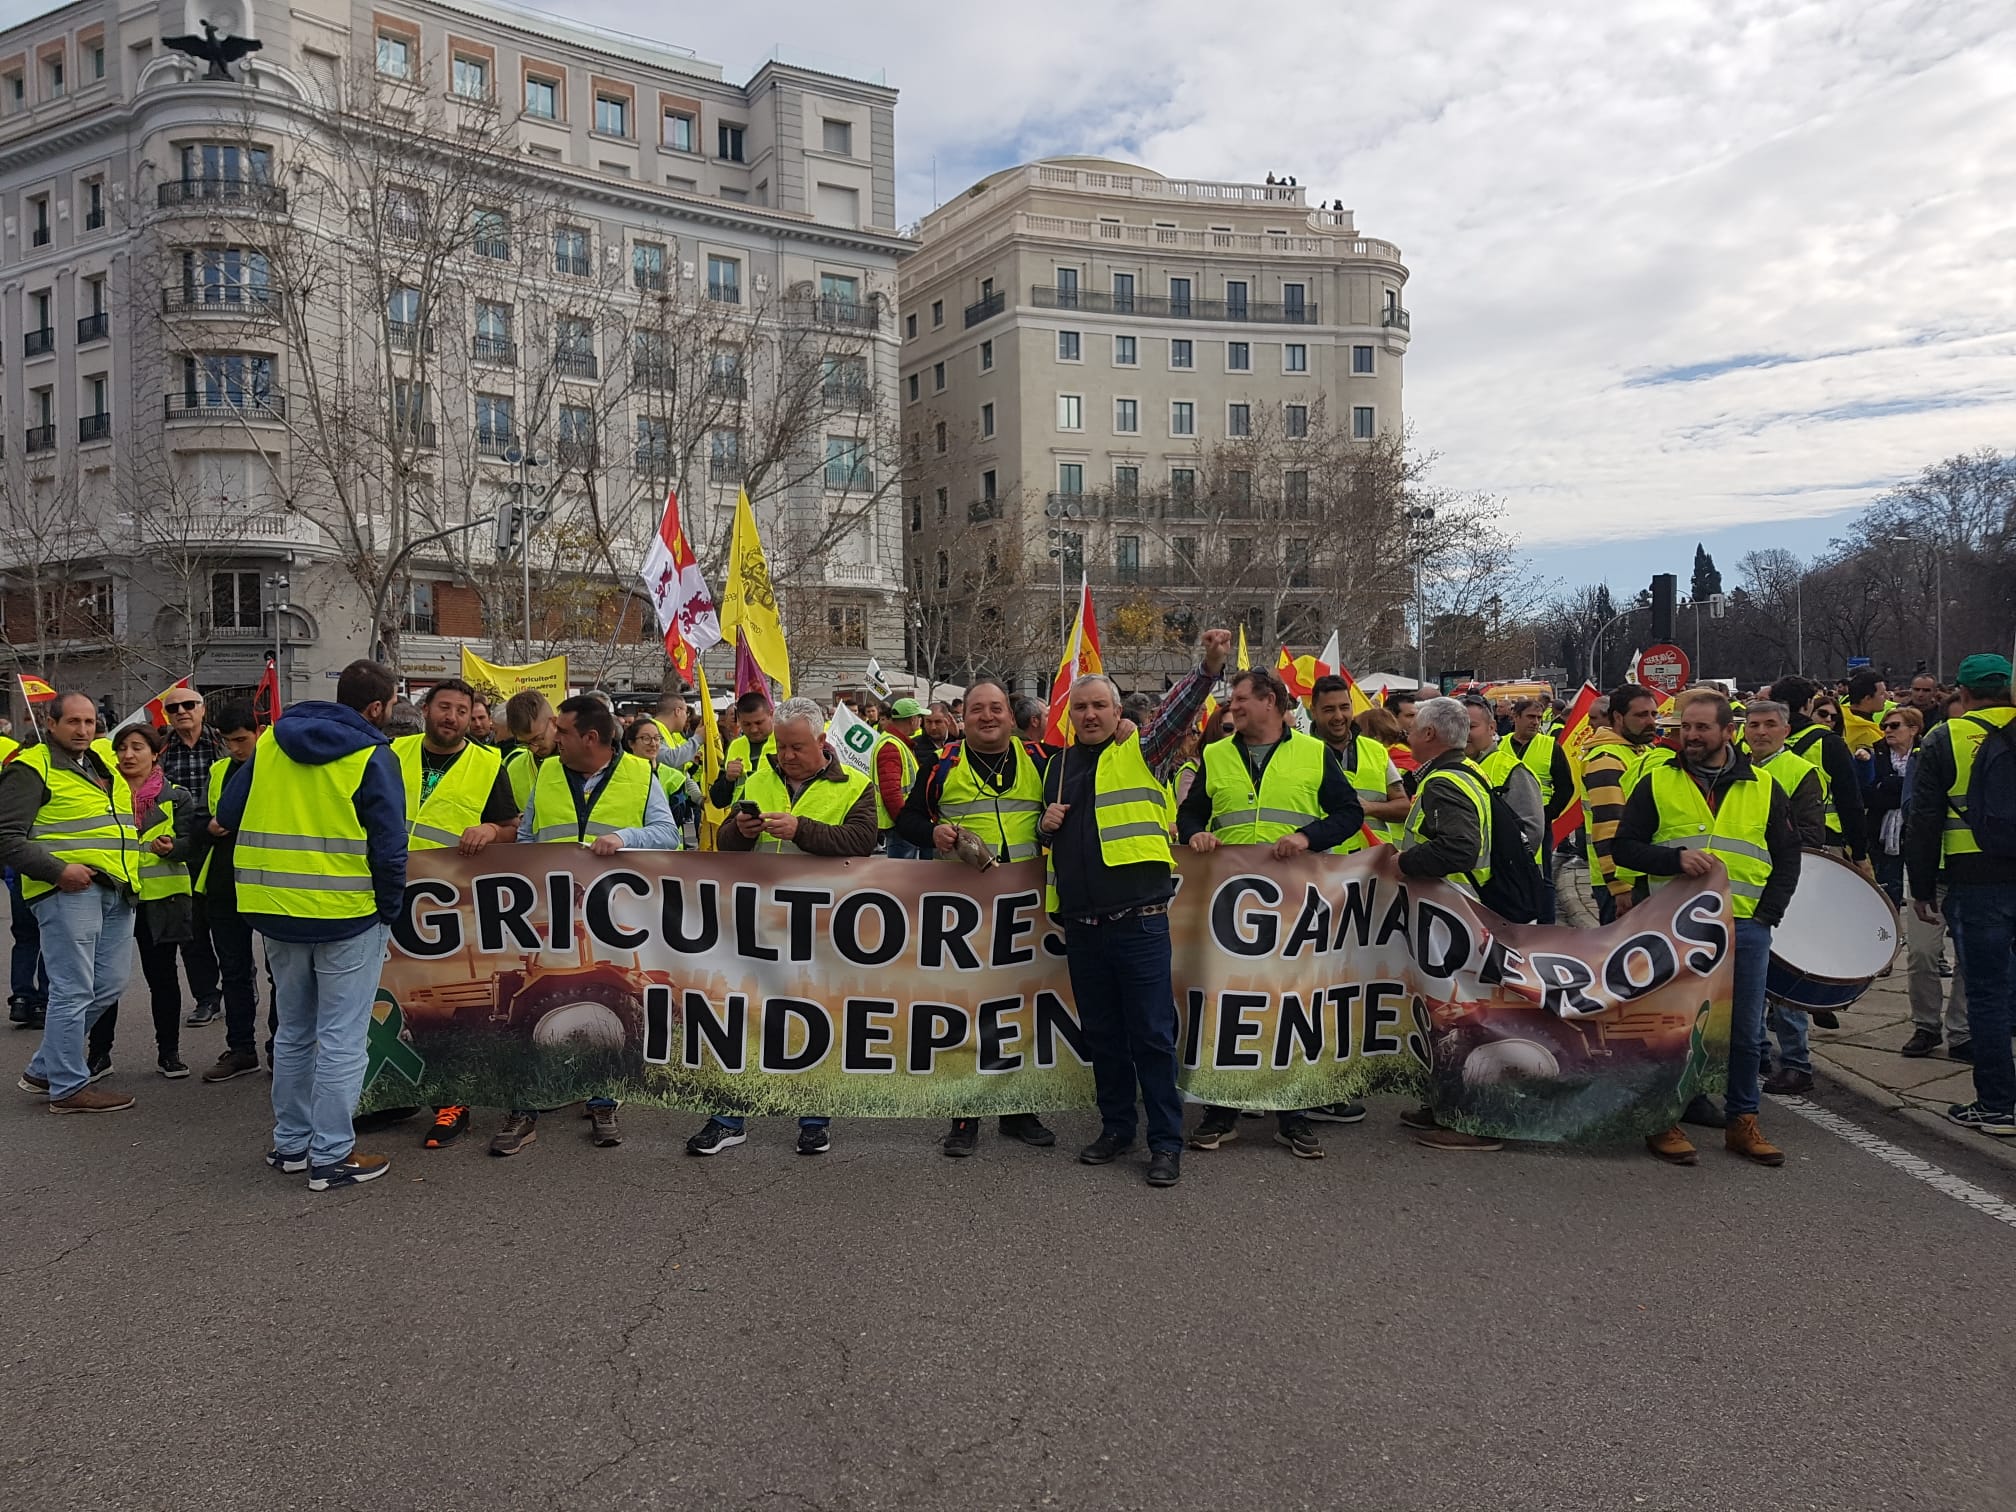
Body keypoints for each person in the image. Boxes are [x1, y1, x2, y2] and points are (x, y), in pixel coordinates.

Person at [1038, 632, 1229, 1187]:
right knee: (1102, 1035)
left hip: (1138, 922)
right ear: (1068, 715)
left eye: (1100, 705)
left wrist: (1208, 668)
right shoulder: (1058, 765)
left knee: (1150, 1035)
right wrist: (1042, 826)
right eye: (1081, 707)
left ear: (1118, 712)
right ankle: (1117, 1128)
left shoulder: (1140, 751)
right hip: (1081, 925)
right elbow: (1049, 837)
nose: (1090, 714)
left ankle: (1165, 1143)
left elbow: (1177, 714)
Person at [215, 660, 407, 1190]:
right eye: (390, 706)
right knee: (343, 1039)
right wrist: (389, 910)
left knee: (295, 1032)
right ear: (376, 708)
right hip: (348, 914)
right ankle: (332, 1156)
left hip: (274, 908)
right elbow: (390, 849)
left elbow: (228, 812)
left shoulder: (273, 742)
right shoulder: (373, 755)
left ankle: (291, 1145)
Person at [1178, 667, 1364, 1159]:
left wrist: (1307, 837)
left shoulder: (1313, 752)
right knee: (1228, 1006)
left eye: (1240, 699)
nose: (1232, 707)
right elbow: (1190, 813)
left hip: (1294, 906)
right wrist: (1197, 832)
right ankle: (1222, 1109)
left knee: (1291, 1006)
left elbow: (1349, 813)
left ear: (1272, 701)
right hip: (1231, 907)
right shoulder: (1215, 754)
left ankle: (1293, 1114)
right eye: (1231, 700)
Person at [1615, 689, 1801, 1167]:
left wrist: (1767, 915)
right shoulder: (1656, 782)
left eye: (1700, 728)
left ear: (1727, 732)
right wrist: (1673, 858)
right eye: (1684, 728)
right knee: (1672, 1027)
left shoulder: (1764, 787)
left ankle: (1743, 1121)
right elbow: (1625, 848)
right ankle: (1664, 1119)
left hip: (1745, 926)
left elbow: (1786, 858)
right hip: (1672, 926)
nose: (1690, 736)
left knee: (1742, 1032)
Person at [495, 695, 680, 1157]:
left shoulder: (641, 774)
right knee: (529, 1017)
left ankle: (602, 1102)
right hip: (548, 919)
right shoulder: (549, 773)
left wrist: (623, 838)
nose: (553, 737)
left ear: (590, 738)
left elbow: (667, 833)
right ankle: (525, 1108)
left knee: (602, 1015)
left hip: (610, 920)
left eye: (562, 732)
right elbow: (527, 836)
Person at [691, 697, 873, 1159]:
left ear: (821, 742)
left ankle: (813, 1117)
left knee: (814, 1021)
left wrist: (801, 830)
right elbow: (729, 842)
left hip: (822, 926)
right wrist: (745, 831)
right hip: (758, 922)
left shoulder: (855, 785)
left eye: (795, 747)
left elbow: (860, 841)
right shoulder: (759, 777)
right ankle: (729, 1116)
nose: (786, 756)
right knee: (740, 1017)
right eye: (780, 746)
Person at [896, 680, 1060, 1155]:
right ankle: (964, 1114)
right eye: (977, 710)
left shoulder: (1042, 761)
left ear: (1012, 717)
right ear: (960, 718)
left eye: (996, 709)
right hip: (963, 913)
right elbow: (905, 820)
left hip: (1027, 908)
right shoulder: (940, 764)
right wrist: (934, 832)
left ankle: (1018, 1108)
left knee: (1021, 1009)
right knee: (966, 1009)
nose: (988, 717)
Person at [394, 679, 517, 1150]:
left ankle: (453, 1101)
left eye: (461, 711)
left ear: (472, 718)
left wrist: (489, 829)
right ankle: (391, 1093)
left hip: (448, 906)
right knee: (388, 1002)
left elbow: (510, 829)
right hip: (386, 894)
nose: (452, 717)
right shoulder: (392, 753)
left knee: (443, 1005)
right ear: (427, 709)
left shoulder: (488, 764)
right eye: (444, 707)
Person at [4, 692, 142, 1113]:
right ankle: (67, 1087)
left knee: (109, 984)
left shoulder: (100, 765)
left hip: (116, 889)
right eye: (74, 722)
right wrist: (58, 871)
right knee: (72, 990)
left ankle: (45, 1068)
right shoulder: (31, 767)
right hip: (68, 892)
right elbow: (6, 837)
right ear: (51, 723)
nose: (83, 730)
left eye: (89, 722)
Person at [1905, 654, 2016, 1136]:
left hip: (1975, 876)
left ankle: (1997, 1104)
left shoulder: (1944, 737)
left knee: (1987, 995)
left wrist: (1923, 888)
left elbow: (1924, 820)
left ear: (1963, 694)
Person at [1389, 697, 1507, 1151]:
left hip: (1454, 913)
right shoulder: (1469, 771)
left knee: (1459, 1015)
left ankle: (1470, 1119)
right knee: (1451, 1013)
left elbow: (1458, 847)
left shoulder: (1443, 781)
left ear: (1431, 735)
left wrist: (1404, 862)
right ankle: (1445, 1102)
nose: (1409, 733)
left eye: (1415, 727)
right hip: (1460, 910)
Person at [83, 726, 200, 1079]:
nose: (128, 755)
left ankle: (169, 1054)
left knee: (162, 978)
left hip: (160, 900)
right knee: (106, 981)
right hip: (114, 897)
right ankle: (99, 1055)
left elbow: (192, 844)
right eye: (122, 749)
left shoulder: (176, 796)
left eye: (137, 748)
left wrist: (174, 848)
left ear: (155, 753)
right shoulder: (102, 793)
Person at [195, 700, 272, 1083]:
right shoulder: (219, 771)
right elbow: (201, 819)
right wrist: (207, 828)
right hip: (225, 883)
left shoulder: (278, 770)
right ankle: (242, 1048)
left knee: (281, 975)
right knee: (235, 970)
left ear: (259, 732)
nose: (236, 749)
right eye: (228, 741)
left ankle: (280, 1048)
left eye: (242, 740)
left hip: (273, 881)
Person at [155, 687, 226, 1029]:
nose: (181, 711)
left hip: (223, 844)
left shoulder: (223, 742)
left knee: (228, 927)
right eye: (173, 708)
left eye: (188, 705)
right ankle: (206, 998)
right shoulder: (162, 749)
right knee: (193, 932)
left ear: (202, 709)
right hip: (182, 849)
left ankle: (239, 988)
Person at [1578, 683, 1661, 924]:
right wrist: (1620, 887)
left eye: (1653, 714)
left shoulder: (1641, 750)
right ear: (1617, 717)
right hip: (1620, 881)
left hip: (1640, 873)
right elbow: (1609, 826)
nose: (1651, 721)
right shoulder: (1606, 758)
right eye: (1641, 715)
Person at [1772, 675, 1868, 866]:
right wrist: (1859, 852)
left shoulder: (1750, 739)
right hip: (1822, 839)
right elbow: (1849, 800)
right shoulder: (1828, 742)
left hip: (1766, 838)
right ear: (1808, 704)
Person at [1464, 697, 1545, 859]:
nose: (1463, 733)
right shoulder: (1455, 767)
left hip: (1505, 878)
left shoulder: (1513, 771)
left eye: (1471, 726)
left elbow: (1530, 832)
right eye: (1457, 727)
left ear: (1492, 728)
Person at [1860, 705, 1920, 905]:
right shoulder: (1875, 753)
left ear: (1913, 729)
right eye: (1884, 726)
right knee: (1887, 885)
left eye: (1894, 726)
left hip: (1917, 828)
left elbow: (1927, 793)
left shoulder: (1926, 752)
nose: (1887, 731)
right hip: (1881, 831)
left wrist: (1889, 784)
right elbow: (1869, 794)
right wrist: (1904, 789)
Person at [874, 697, 926, 857]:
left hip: (902, 822)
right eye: (919, 717)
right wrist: (906, 823)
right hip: (901, 825)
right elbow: (891, 792)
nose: (921, 721)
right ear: (912, 720)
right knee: (904, 877)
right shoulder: (892, 746)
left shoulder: (893, 742)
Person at [707, 691, 776, 809]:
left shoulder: (784, 742)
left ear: (771, 715)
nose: (754, 729)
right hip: (742, 820)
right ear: (739, 721)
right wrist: (728, 779)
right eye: (747, 724)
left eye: (759, 722)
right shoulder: (736, 746)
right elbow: (718, 801)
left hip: (777, 820)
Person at [500, 689, 557, 811]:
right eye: (525, 743)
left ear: (554, 722)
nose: (533, 748)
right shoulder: (512, 767)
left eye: (538, 738)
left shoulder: (583, 761)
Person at [1839, 669, 1886, 754]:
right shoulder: (1868, 734)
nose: (1886, 697)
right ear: (1867, 699)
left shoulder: (1838, 718)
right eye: (1882, 694)